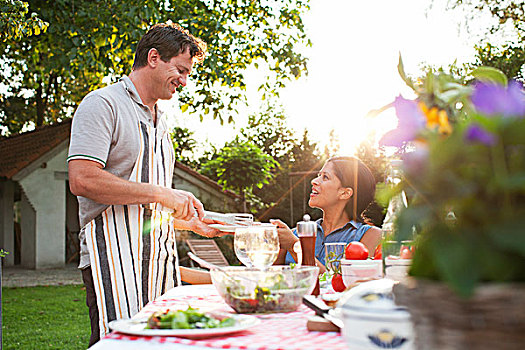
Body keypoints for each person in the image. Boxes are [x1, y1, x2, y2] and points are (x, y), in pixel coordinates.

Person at [68, 23, 220, 347]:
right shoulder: (102, 105)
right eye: (180, 69)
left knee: (163, 342)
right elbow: (82, 179)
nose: (184, 80)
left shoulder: (161, 122)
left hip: (157, 259)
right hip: (111, 255)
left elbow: (148, 205)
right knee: (120, 344)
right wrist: (162, 192)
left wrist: (189, 222)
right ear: (153, 57)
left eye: (188, 72)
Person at [272, 156, 382, 273]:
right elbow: (269, 280)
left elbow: (349, 285)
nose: (314, 181)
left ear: (345, 193)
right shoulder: (295, 234)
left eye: (325, 177)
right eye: (319, 175)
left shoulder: (370, 236)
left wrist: (295, 247)